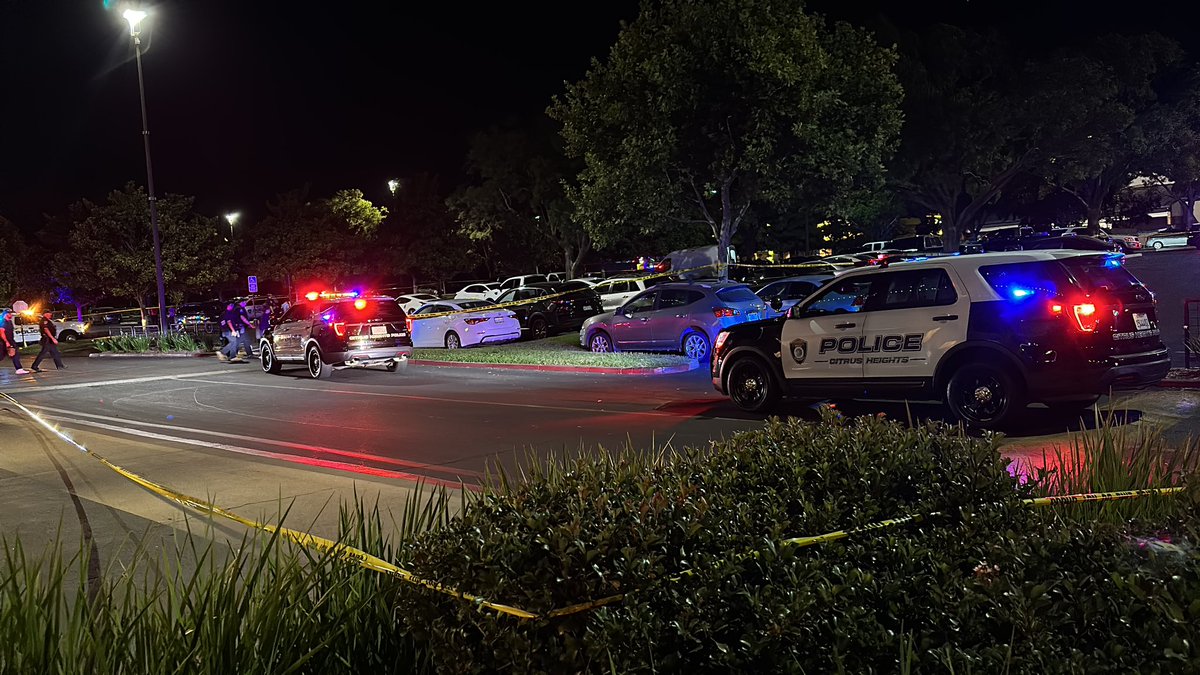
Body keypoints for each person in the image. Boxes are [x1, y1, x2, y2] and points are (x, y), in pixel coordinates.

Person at [1, 309, 30, 375]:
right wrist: (6, 342)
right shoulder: (3, 322)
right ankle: (19, 369)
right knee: (1, 356)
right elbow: (1, 332)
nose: (11, 315)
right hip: (3, 342)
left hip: (11, 340)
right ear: (6, 314)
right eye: (9, 313)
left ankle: (19, 369)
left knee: (15, 353)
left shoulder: (10, 322)